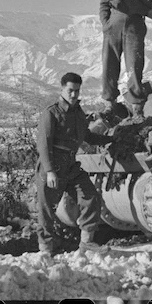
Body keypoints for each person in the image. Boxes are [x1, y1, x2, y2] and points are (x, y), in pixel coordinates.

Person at [35, 72, 113, 255]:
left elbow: (86, 136)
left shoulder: (78, 112)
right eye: (70, 91)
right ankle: (45, 249)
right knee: (47, 210)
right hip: (53, 165)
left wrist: (109, 140)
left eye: (77, 91)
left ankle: (86, 243)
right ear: (62, 88)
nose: (74, 95)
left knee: (90, 196)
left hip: (71, 164)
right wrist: (50, 171)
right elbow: (43, 145)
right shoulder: (51, 113)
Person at [99, 0, 152, 118]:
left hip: (134, 25)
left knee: (134, 66)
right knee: (109, 65)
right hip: (113, 25)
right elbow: (104, 2)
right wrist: (106, 24)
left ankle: (137, 105)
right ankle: (109, 104)